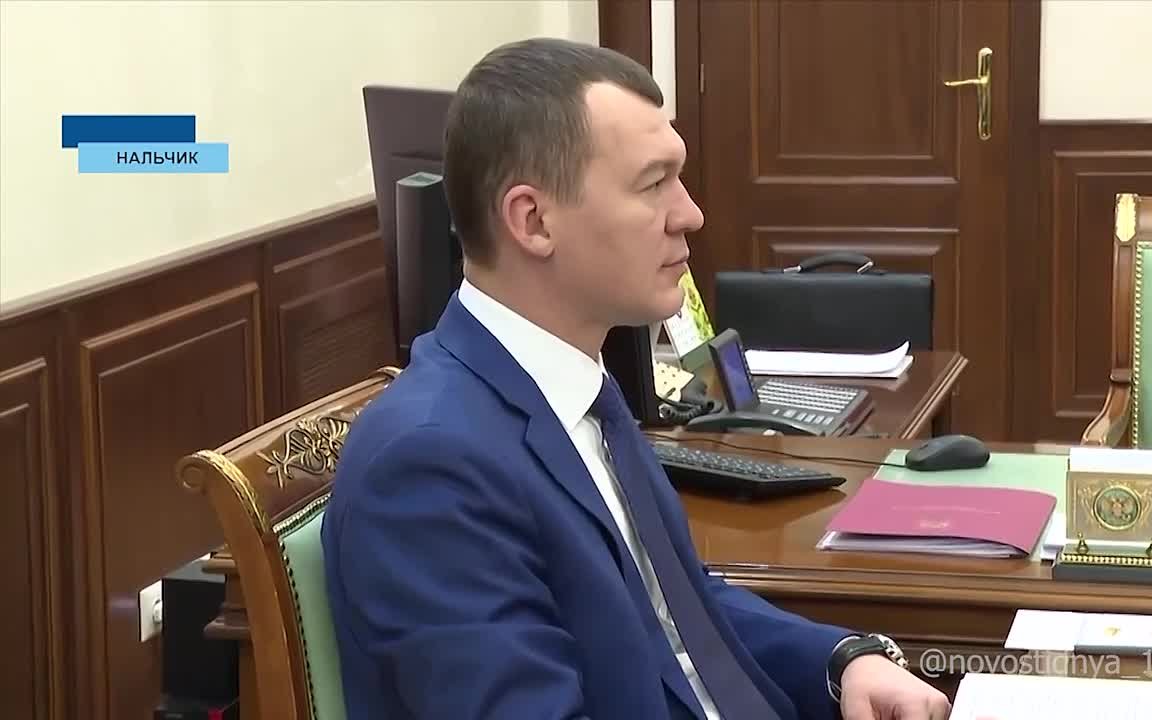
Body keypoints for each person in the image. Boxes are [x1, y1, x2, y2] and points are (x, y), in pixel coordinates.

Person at [321, 37, 952, 720]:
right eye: (654, 184)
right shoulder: (427, 464)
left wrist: (842, 661)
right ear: (533, 220)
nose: (690, 214)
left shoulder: (581, 389)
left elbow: (676, 608)